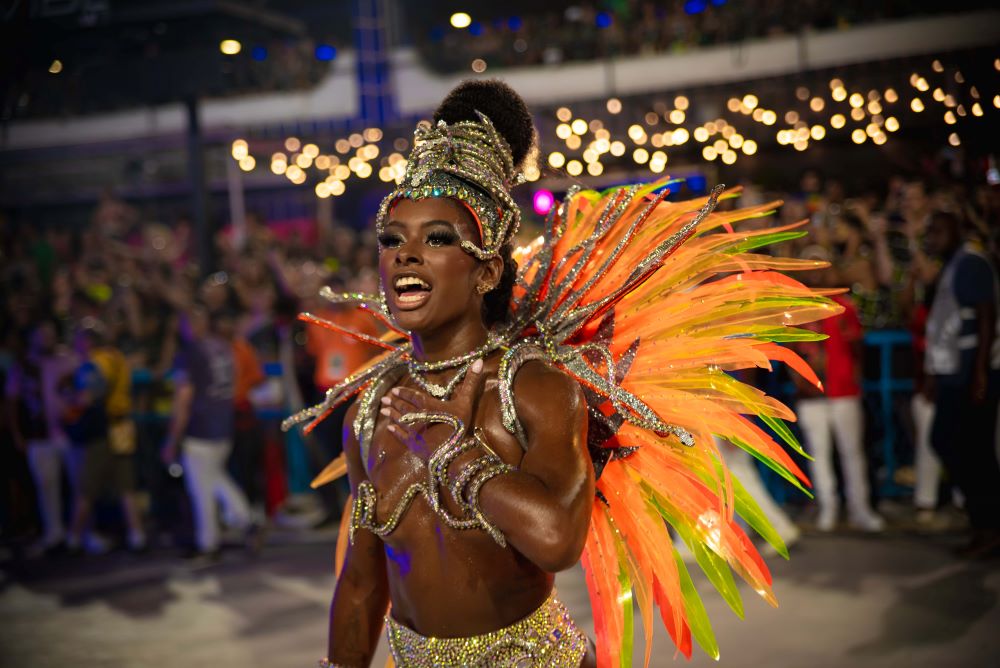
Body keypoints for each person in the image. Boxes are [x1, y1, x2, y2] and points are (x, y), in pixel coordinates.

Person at [284, 80, 843, 667]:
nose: (405, 253)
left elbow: (558, 541)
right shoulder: (372, 412)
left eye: (439, 238)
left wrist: (454, 454)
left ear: (487, 272)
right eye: (392, 239)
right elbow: (361, 583)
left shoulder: (531, 387)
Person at [924, 211, 1000, 558]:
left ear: (959, 230)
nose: (932, 238)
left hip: (972, 372)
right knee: (954, 444)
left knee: (973, 451)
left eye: (939, 231)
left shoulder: (970, 262)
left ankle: (988, 527)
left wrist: (981, 373)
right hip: (956, 372)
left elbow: (987, 316)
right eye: (930, 232)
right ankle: (982, 524)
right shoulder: (953, 264)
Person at [793, 247, 885, 533]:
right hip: (811, 396)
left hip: (843, 391)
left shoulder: (844, 306)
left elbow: (858, 348)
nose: (817, 272)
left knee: (852, 453)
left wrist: (852, 377)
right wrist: (800, 383)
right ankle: (828, 509)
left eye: (821, 266)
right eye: (810, 267)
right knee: (819, 454)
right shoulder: (795, 308)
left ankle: (860, 510)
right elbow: (789, 353)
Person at [162, 306, 252, 558]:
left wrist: (172, 438)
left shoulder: (190, 353)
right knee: (214, 478)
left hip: (199, 429)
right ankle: (246, 519)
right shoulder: (222, 347)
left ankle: (208, 544)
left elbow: (184, 397)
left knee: (201, 489)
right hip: (223, 425)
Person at [62, 321, 147, 553]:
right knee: (125, 485)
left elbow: (89, 396)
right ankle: (137, 536)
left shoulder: (96, 363)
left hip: (103, 429)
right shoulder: (118, 357)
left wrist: (69, 401)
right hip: (123, 427)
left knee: (87, 488)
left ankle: (73, 540)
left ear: (87, 341)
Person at [4, 320, 77, 552]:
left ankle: (80, 532)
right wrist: (17, 434)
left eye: (50, 334)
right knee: (47, 488)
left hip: (69, 434)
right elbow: (11, 402)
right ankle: (53, 534)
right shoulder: (23, 366)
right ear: (32, 338)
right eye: (41, 334)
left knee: (80, 486)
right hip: (38, 436)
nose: (46, 339)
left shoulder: (68, 360)